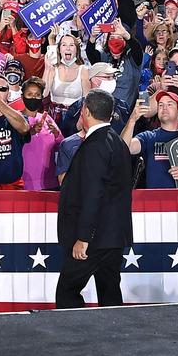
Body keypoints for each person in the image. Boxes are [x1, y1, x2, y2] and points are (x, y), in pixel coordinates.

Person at [55, 89, 133, 309]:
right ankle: (114, 340)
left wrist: (83, 237)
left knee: (67, 292)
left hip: (94, 240)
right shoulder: (117, 142)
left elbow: (92, 193)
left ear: (85, 112)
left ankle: (79, 340)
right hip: (114, 237)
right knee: (110, 295)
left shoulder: (94, 146)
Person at [123, 91, 178, 188]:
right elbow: (123, 148)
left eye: (169, 104)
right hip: (156, 201)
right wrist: (132, 120)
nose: (164, 108)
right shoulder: (148, 137)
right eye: (161, 105)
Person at [20, 77, 63, 190]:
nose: (34, 97)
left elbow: (61, 145)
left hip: (49, 181)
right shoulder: (17, 118)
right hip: (24, 181)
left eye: (37, 94)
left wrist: (56, 134)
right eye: (29, 94)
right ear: (22, 97)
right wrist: (31, 132)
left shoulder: (47, 118)